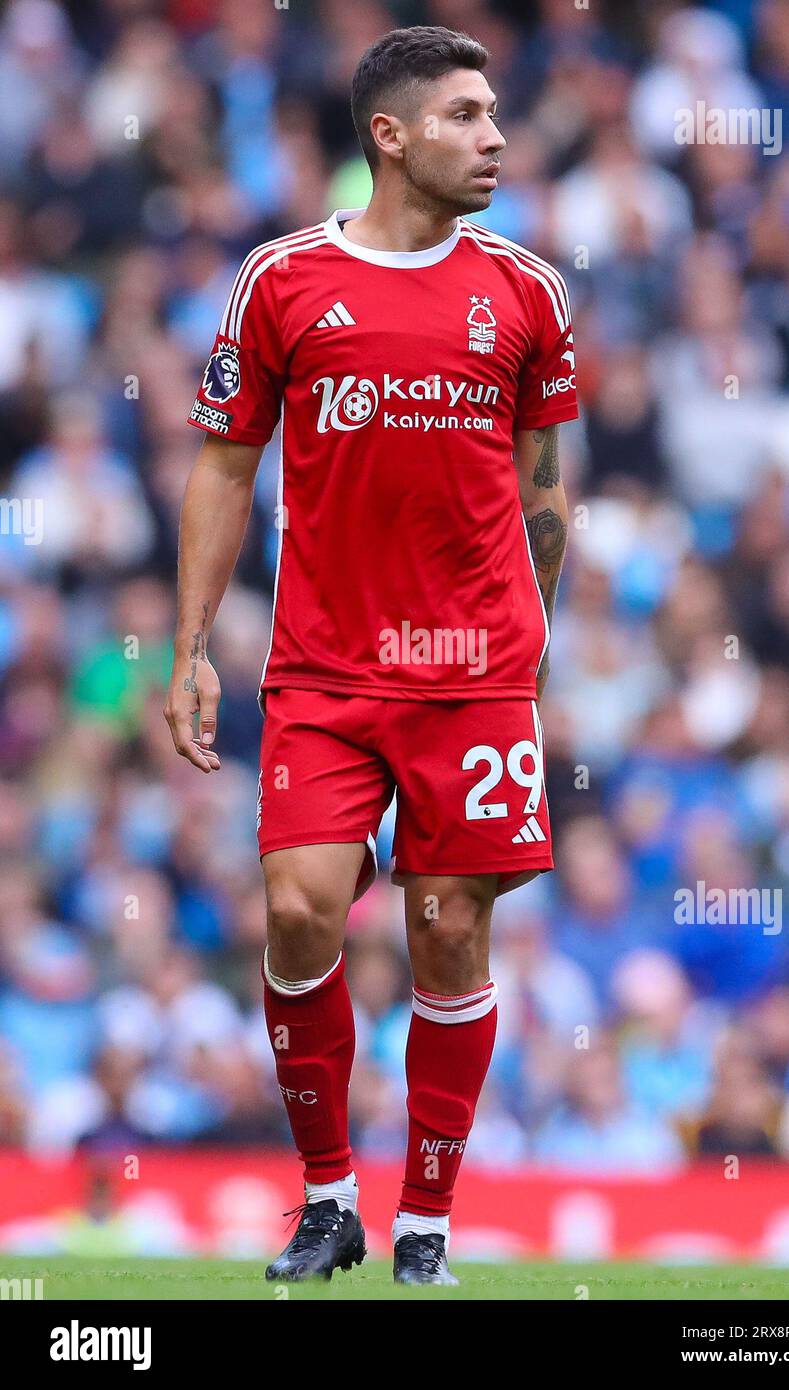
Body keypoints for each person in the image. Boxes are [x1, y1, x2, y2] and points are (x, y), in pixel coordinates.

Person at [164, 25, 577, 1286]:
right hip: (324, 671)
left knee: (448, 936)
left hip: (471, 675)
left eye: (496, 112)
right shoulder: (279, 281)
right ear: (389, 136)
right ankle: (329, 1196)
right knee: (296, 907)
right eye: (465, 114)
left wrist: (524, 645)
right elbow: (225, 466)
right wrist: (188, 645)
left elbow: (543, 488)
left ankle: (428, 1226)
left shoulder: (527, 293)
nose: (495, 136)